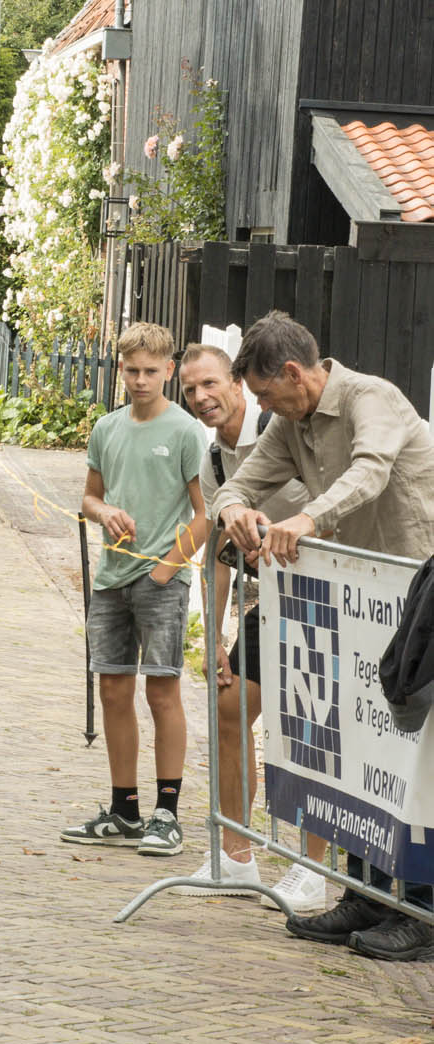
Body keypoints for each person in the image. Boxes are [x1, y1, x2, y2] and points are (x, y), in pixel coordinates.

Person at [213, 310, 434, 961]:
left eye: (264, 393)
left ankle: (421, 910)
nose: (261, 408)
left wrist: (306, 519)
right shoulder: (291, 422)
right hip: (362, 603)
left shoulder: (373, 399)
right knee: (365, 748)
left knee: (419, 755)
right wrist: (235, 510)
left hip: (418, 600)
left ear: (291, 373)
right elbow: (238, 483)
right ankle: (366, 894)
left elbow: (369, 472)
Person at [177, 343, 327, 912]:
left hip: (321, 600)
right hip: (272, 603)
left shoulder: (279, 429)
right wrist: (213, 636)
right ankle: (237, 856)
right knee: (231, 707)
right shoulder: (214, 459)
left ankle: (313, 869)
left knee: (311, 726)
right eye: (190, 390)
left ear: (237, 384)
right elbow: (217, 555)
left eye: (210, 383)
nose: (201, 397)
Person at [63, 321, 207, 856]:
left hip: (161, 580)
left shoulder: (187, 431)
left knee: (162, 691)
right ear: (120, 369)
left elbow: (207, 512)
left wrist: (166, 570)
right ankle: (124, 810)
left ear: (169, 369)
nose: (140, 380)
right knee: (112, 690)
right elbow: (89, 498)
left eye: (150, 371)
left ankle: (167, 815)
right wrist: (104, 512)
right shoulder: (107, 428)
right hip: (111, 578)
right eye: (131, 371)